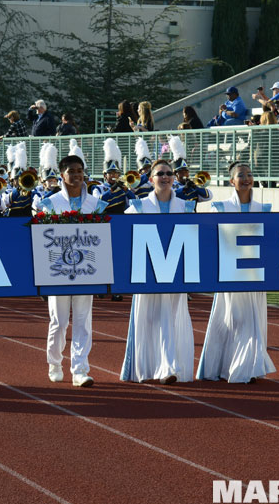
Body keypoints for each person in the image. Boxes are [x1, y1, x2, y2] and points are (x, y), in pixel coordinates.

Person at [197, 162, 275, 384]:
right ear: (232, 181)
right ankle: (229, 367)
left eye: (250, 174)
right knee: (233, 320)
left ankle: (245, 367)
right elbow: (209, 239)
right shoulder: (220, 207)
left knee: (253, 321)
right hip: (229, 275)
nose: (247, 178)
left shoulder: (264, 209)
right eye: (241, 175)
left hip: (255, 275)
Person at [120, 159, 196, 384]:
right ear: (151, 179)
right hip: (146, 274)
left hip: (175, 274)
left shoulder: (186, 207)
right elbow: (125, 238)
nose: (165, 177)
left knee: (172, 319)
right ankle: (149, 367)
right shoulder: (138, 207)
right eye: (160, 173)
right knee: (148, 319)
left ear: (174, 178)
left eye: (169, 173)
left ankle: (169, 367)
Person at [37, 154, 107, 387]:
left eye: (80, 170)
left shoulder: (96, 204)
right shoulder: (49, 203)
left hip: (87, 270)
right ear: (62, 175)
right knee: (58, 321)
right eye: (71, 171)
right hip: (57, 270)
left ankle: (80, 368)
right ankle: (55, 362)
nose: (76, 175)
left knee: (83, 320)